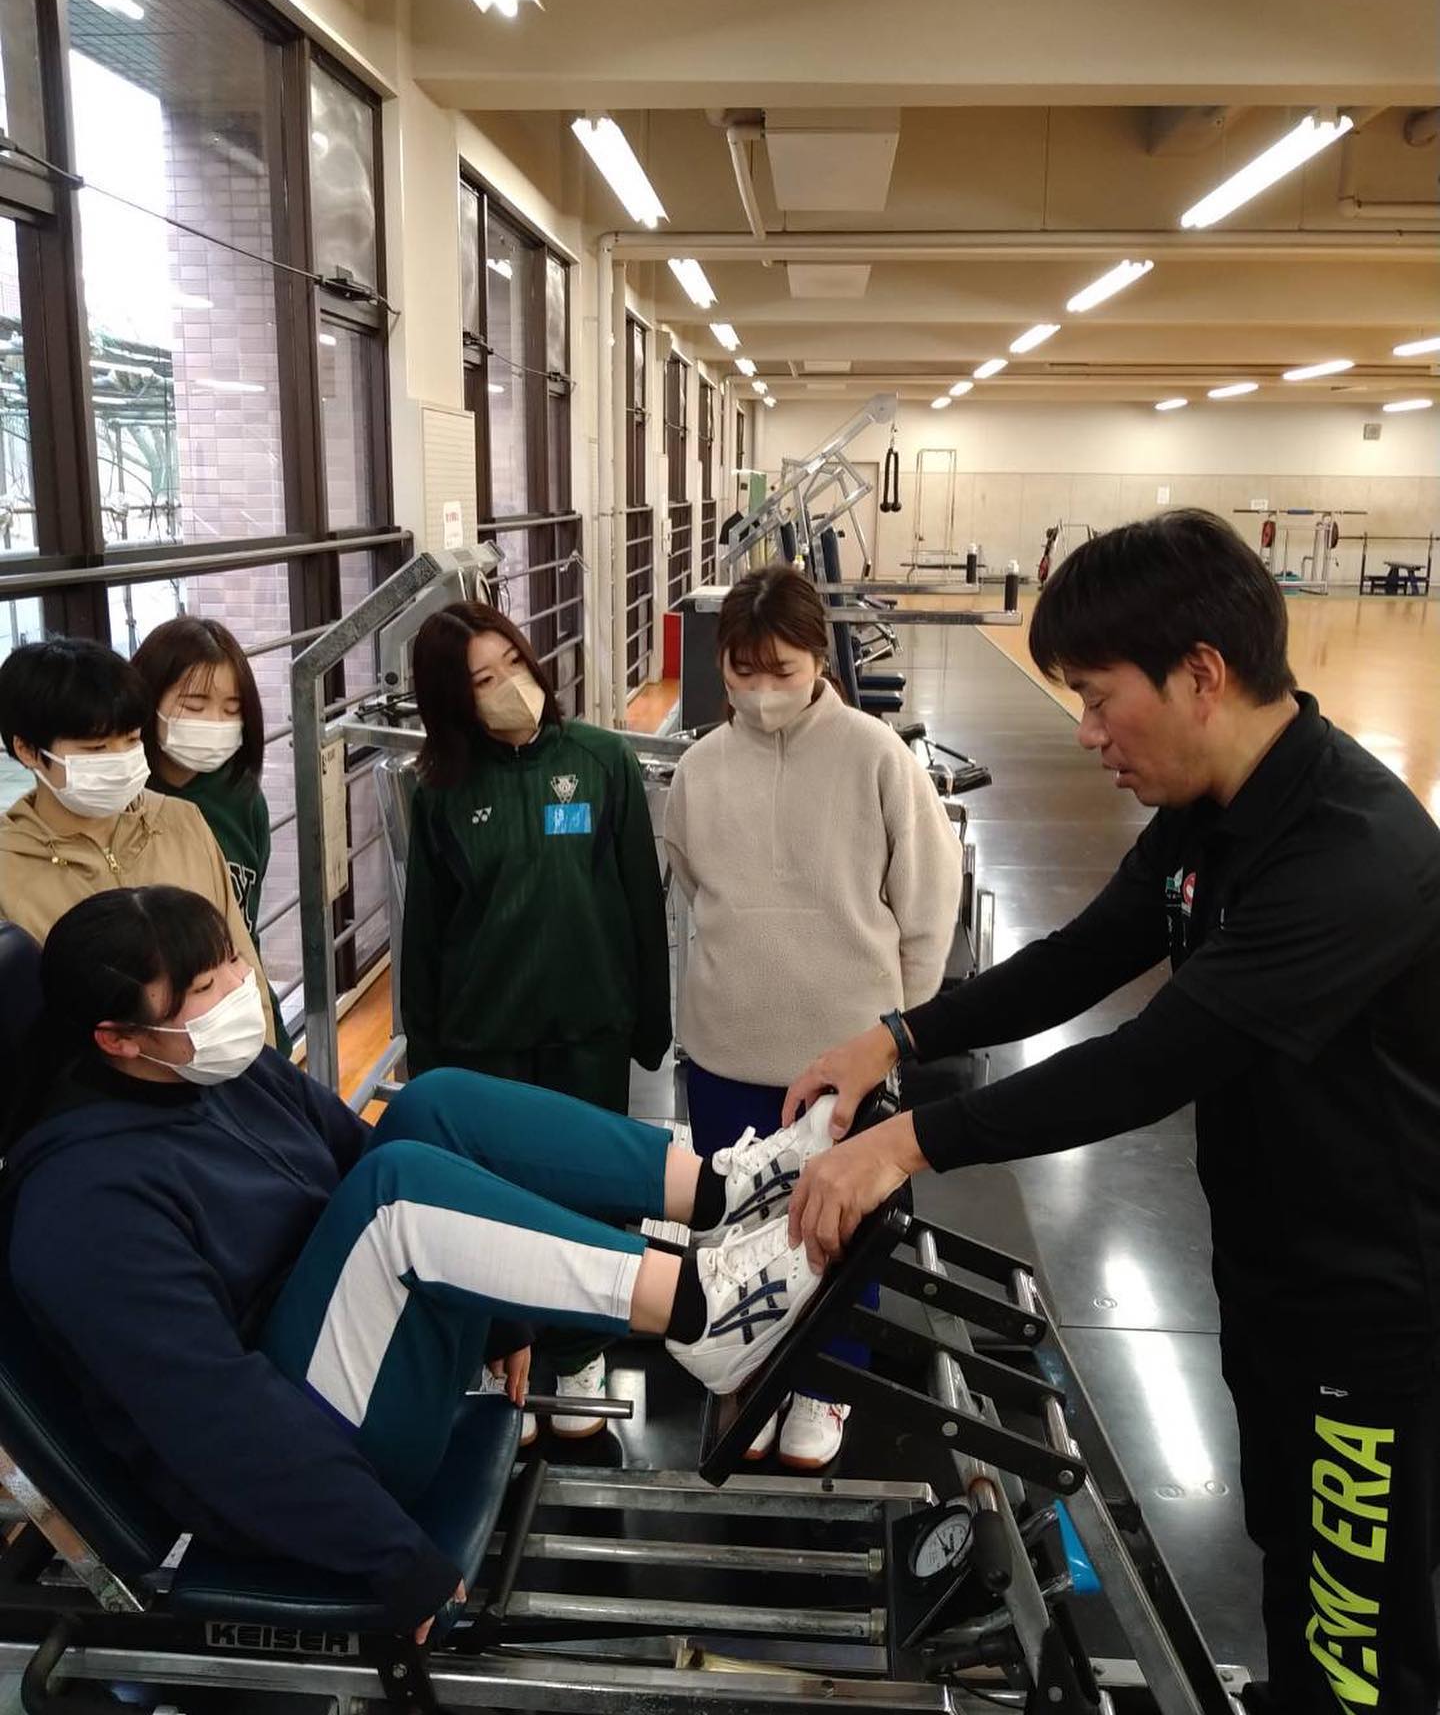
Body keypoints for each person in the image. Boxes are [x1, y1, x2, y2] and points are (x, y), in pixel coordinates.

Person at [781, 510, 1440, 1715]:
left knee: (1357, 1619)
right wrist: (901, 1034)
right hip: (1273, 1263)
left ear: (1201, 675)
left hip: (1372, 1306)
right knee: (1287, 1546)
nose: (1086, 733)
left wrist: (906, 1141)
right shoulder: (1211, 814)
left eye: (1097, 698)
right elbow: (1085, 954)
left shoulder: (1353, 857)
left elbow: (1148, 1063)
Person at [2, 887, 841, 1642]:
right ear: (118, 1039)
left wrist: (505, 1317)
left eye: (229, 963)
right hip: (308, 1470)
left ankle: (723, 1189)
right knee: (395, 1197)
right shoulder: (84, 1208)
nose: (235, 991)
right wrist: (390, 1558)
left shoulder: (222, 1075)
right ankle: (703, 1310)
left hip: (361, 1365)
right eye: (201, 989)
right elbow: (210, 1420)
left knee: (432, 1106)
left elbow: (357, 1156)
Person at [664, 564, 962, 1469]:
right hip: (726, 1050)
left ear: (818, 660)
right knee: (737, 1235)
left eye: (782, 670)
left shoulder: (877, 756)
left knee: (839, 1232)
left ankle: (829, 1384)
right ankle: (751, 1375)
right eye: (743, 671)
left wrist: (898, 1031)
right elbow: (693, 892)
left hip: (846, 1058)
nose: (762, 690)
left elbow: (928, 904)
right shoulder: (699, 770)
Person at [402, 602, 672, 1438]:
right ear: (453, 702)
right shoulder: (441, 792)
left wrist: (650, 1021)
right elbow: (424, 933)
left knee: (595, 1194)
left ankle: (581, 1349)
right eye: (481, 680)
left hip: (589, 1026)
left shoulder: (601, 761)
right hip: (486, 1036)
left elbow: (641, 898)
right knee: (496, 1202)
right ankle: (501, 1351)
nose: (508, 686)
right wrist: (426, 1059)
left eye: (513, 663)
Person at [0, 636, 274, 1044]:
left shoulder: (181, 821)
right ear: (27, 750)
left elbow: (240, 958)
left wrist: (264, 1062)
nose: (119, 758)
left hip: (223, 1064)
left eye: (130, 740)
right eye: (96, 747)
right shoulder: (9, 867)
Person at [132, 615, 291, 1058]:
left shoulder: (241, 798)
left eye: (232, 708)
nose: (215, 722)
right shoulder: (127, 805)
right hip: (164, 1040)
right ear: (149, 698)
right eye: (195, 705)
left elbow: (247, 929)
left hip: (243, 1016)